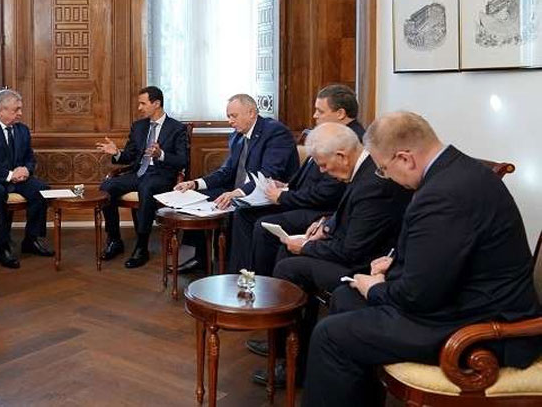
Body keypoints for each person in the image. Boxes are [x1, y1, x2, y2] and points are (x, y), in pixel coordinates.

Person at [301, 112, 542, 406]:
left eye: (383, 169)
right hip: (461, 299)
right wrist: (393, 265)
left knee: (330, 335)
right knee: (344, 297)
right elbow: (444, 256)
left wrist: (375, 288)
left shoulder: (443, 194)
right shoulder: (456, 170)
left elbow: (419, 296)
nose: (386, 177)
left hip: (482, 323)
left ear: (405, 158)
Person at [249, 122, 410, 387]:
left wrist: (306, 247)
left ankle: (296, 363)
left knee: (290, 267)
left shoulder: (373, 184)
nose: (323, 171)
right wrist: (326, 225)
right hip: (358, 250)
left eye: (324, 165)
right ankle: (284, 345)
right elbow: (349, 214)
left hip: (367, 267)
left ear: (341, 156)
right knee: (285, 253)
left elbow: (352, 251)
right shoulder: (363, 169)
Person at [224, 84, 365, 275]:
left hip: (321, 211)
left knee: (262, 226)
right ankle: (240, 275)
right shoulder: (331, 134)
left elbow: (329, 192)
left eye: (320, 111)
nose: (314, 115)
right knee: (244, 213)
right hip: (303, 200)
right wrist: (286, 187)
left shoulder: (350, 140)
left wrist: (283, 196)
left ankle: (261, 282)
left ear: (340, 113)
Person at [174, 94, 299, 272]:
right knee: (196, 197)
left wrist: (235, 193)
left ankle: (239, 272)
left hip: (268, 195)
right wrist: (195, 183)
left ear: (251, 113)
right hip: (240, 190)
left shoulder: (275, 132)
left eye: (234, 116)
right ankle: (201, 259)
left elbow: (268, 175)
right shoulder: (237, 136)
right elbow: (226, 171)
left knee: (240, 211)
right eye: (228, 116)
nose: (230, 121)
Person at [97, 86, 188, 268]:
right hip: (138, 173)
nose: (139, 108)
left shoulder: (177, 128)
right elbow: (130, 156)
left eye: (143, 103)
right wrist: (117, 153)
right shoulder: (139, 126)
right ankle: (114, 239)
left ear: (156, 103)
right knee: (107, 187)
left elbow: (182, 160)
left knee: (146, 188)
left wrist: (161, 154)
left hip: (161, 176)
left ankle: (141, 246)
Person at [0, 89, 52, 269]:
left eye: (20, 109)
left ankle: (31, 239)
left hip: (17, 178)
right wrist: (9, 174)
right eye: (16, 109)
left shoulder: (22, 130)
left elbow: (30, 158)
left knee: (41, 189)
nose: (20, 113)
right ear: (1, 110)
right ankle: (3, 247)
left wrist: (26, 170)